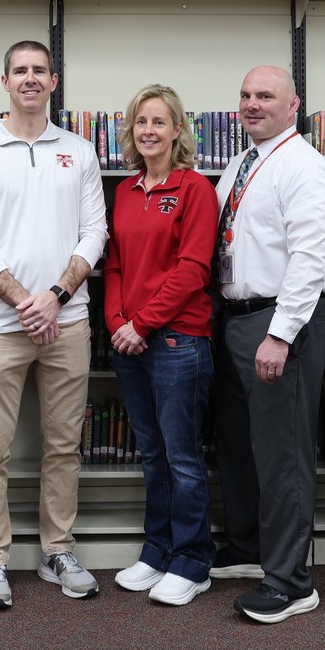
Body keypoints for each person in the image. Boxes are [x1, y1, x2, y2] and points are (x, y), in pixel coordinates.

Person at [0, 39, 108, 609]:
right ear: (5, 81)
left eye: (40, 70)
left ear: (54, 79)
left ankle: (57, 549)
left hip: (69, 322)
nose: (30, 79)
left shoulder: (81, 152)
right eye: (20, 70)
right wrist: (26, 302)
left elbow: (95, 232)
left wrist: (57, 296)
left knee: (64, 445)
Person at [212, 65, 325, 624]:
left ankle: (291, 583)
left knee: (284, 455)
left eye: (266, 95)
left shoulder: (305, 168)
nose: (252, 103)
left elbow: (310, 263)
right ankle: (249, 549)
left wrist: (280, 335)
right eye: (244, 95)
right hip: (238, 319)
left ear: (294, 106)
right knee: (242, 446)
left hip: (280, 323)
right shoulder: (243, 163)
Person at [104, 84, 217, 606]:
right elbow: (117, 265)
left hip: (176, 340)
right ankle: (158, 551)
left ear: (177, 131)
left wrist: (142, 323)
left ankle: (193, 561)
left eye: (159, 122)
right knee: (152, 454)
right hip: (129, 343)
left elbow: (192, 270)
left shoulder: (195, 189)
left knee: (183, 458)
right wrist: (116, 322)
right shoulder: (125, 192)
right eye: (141, 122)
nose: (149, 131)